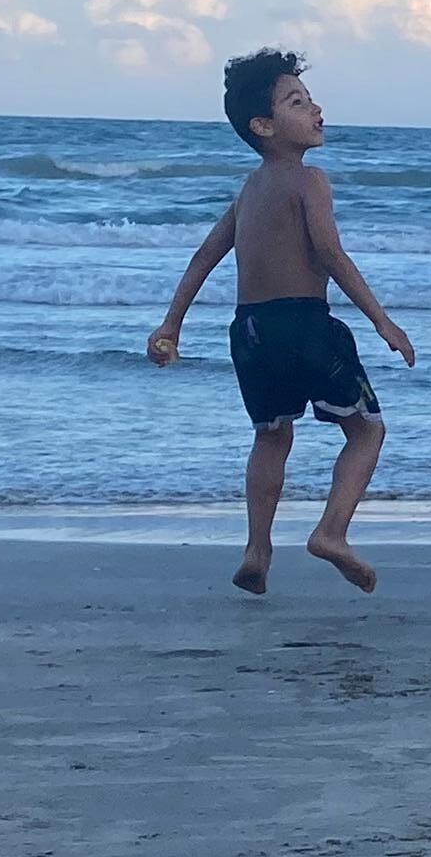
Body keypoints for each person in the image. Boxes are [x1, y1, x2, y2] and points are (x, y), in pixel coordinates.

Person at [146, 47, 415, 595]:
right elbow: (333, 256)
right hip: (305, 324)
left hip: (249, 332)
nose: (316, 110)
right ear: (263, 125)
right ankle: (331, 533)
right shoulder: (310, 182)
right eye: (298, 102)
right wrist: (383, 322)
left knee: (271, 437)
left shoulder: (248, 191)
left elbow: (203, 257)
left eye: (312, 99)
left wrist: (170, 325)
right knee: (366, 430)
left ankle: (257, 550)